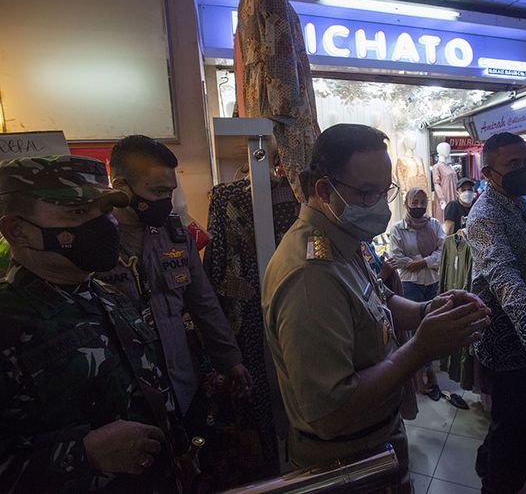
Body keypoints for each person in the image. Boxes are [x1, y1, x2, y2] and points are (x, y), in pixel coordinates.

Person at [261, 124, 491, 488]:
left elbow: (376, 300)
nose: (381, 206)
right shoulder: (310, 275)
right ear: (324, 191)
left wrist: (426, 310)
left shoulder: (345, 241)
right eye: (367, 193)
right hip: (346, 459)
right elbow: (330, 410)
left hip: (376, 439)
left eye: (385, 191)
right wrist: (420, 348)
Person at [0, 155, 188, 492]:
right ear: (18, 230)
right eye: (76, 212)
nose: (103, 225)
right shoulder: (7, 321)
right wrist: (83, 454)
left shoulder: (109, 296)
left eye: (104, 211)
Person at [102, 135, 250, 422]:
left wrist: (231, 361)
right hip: (126, 399)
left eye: (170, 192)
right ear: (120, 187)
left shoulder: (177, 236)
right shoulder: (95, 243)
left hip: (182, 384)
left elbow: (204, 303)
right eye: (157, 192)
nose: (166, 203)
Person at [466, 132, 526, 494]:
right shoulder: (484, 216)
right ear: (489, 172)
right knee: (515, 426)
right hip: (505, 338)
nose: (524, 170)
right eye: (513, 165)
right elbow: (503, 273)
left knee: (510, 418)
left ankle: (487, 461)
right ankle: (498, 483)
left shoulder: (514, 201)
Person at [390, 187, 446, 400]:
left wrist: (422, 261)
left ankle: (428, 370)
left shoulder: (433, 225)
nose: (419, 206)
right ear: (406, 204)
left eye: (423, 202)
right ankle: (423, 373)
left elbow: (443, 251)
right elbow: (397, 257)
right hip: (410, 284)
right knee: (417, 331)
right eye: (415, 202)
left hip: (432, 281)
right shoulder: (398, 229)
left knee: (433, 326)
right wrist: (424, 261)